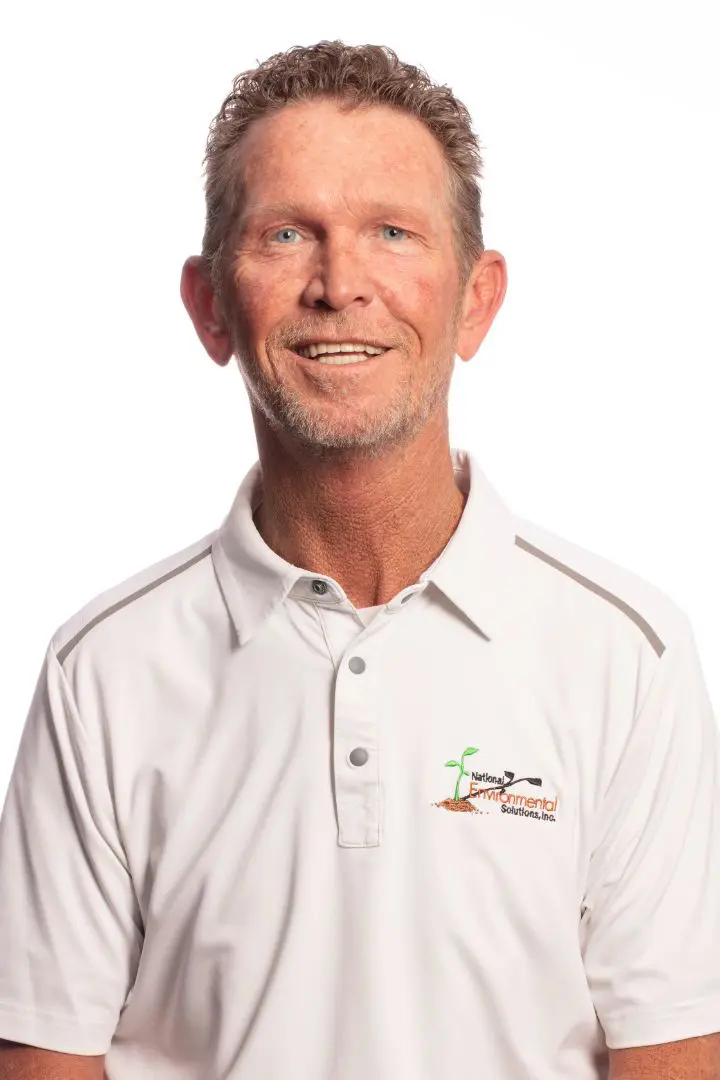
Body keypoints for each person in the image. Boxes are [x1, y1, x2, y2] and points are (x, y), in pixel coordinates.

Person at [0, 39, 718, 1080]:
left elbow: (677, 1057)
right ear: (209, 305)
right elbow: (42, 1062)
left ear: (475, 299)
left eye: (393, 232)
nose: (341, 285)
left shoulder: (628, 658)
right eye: (288, 233)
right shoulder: (100, 674)